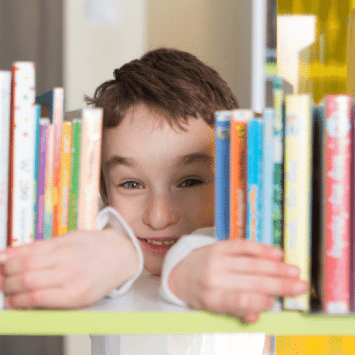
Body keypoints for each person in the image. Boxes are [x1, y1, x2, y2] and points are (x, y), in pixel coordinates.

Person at [0, 48, 307, 354]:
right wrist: (122, 252)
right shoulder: (93, 245)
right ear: (104, 191)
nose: (159, 217)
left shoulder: (260, 241)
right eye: (131, 184)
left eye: (190, 182)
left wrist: (181, 268)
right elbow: (100, 248)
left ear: (234, 181)